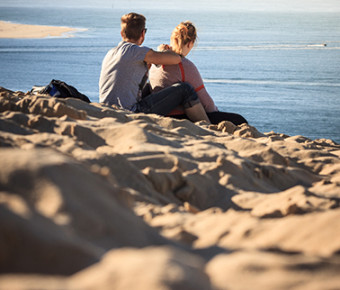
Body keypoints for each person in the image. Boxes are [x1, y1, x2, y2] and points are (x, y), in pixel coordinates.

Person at [99, 13, 210, 123]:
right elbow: (177, 59)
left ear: (122, 33)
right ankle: (209, 127)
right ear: (143, 33)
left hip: (105, 109)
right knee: (185, 89)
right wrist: (162, 50)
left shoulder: (111, 53)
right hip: (130, 113)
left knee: (148, 86)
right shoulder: (137, 51)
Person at [149, 21, 248, 125]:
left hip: (160, 111)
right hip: (180, 116)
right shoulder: (185, 65)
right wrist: (216, 112)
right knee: (239, 120)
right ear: (190, 43)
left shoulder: (156, 60)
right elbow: (205, 101)